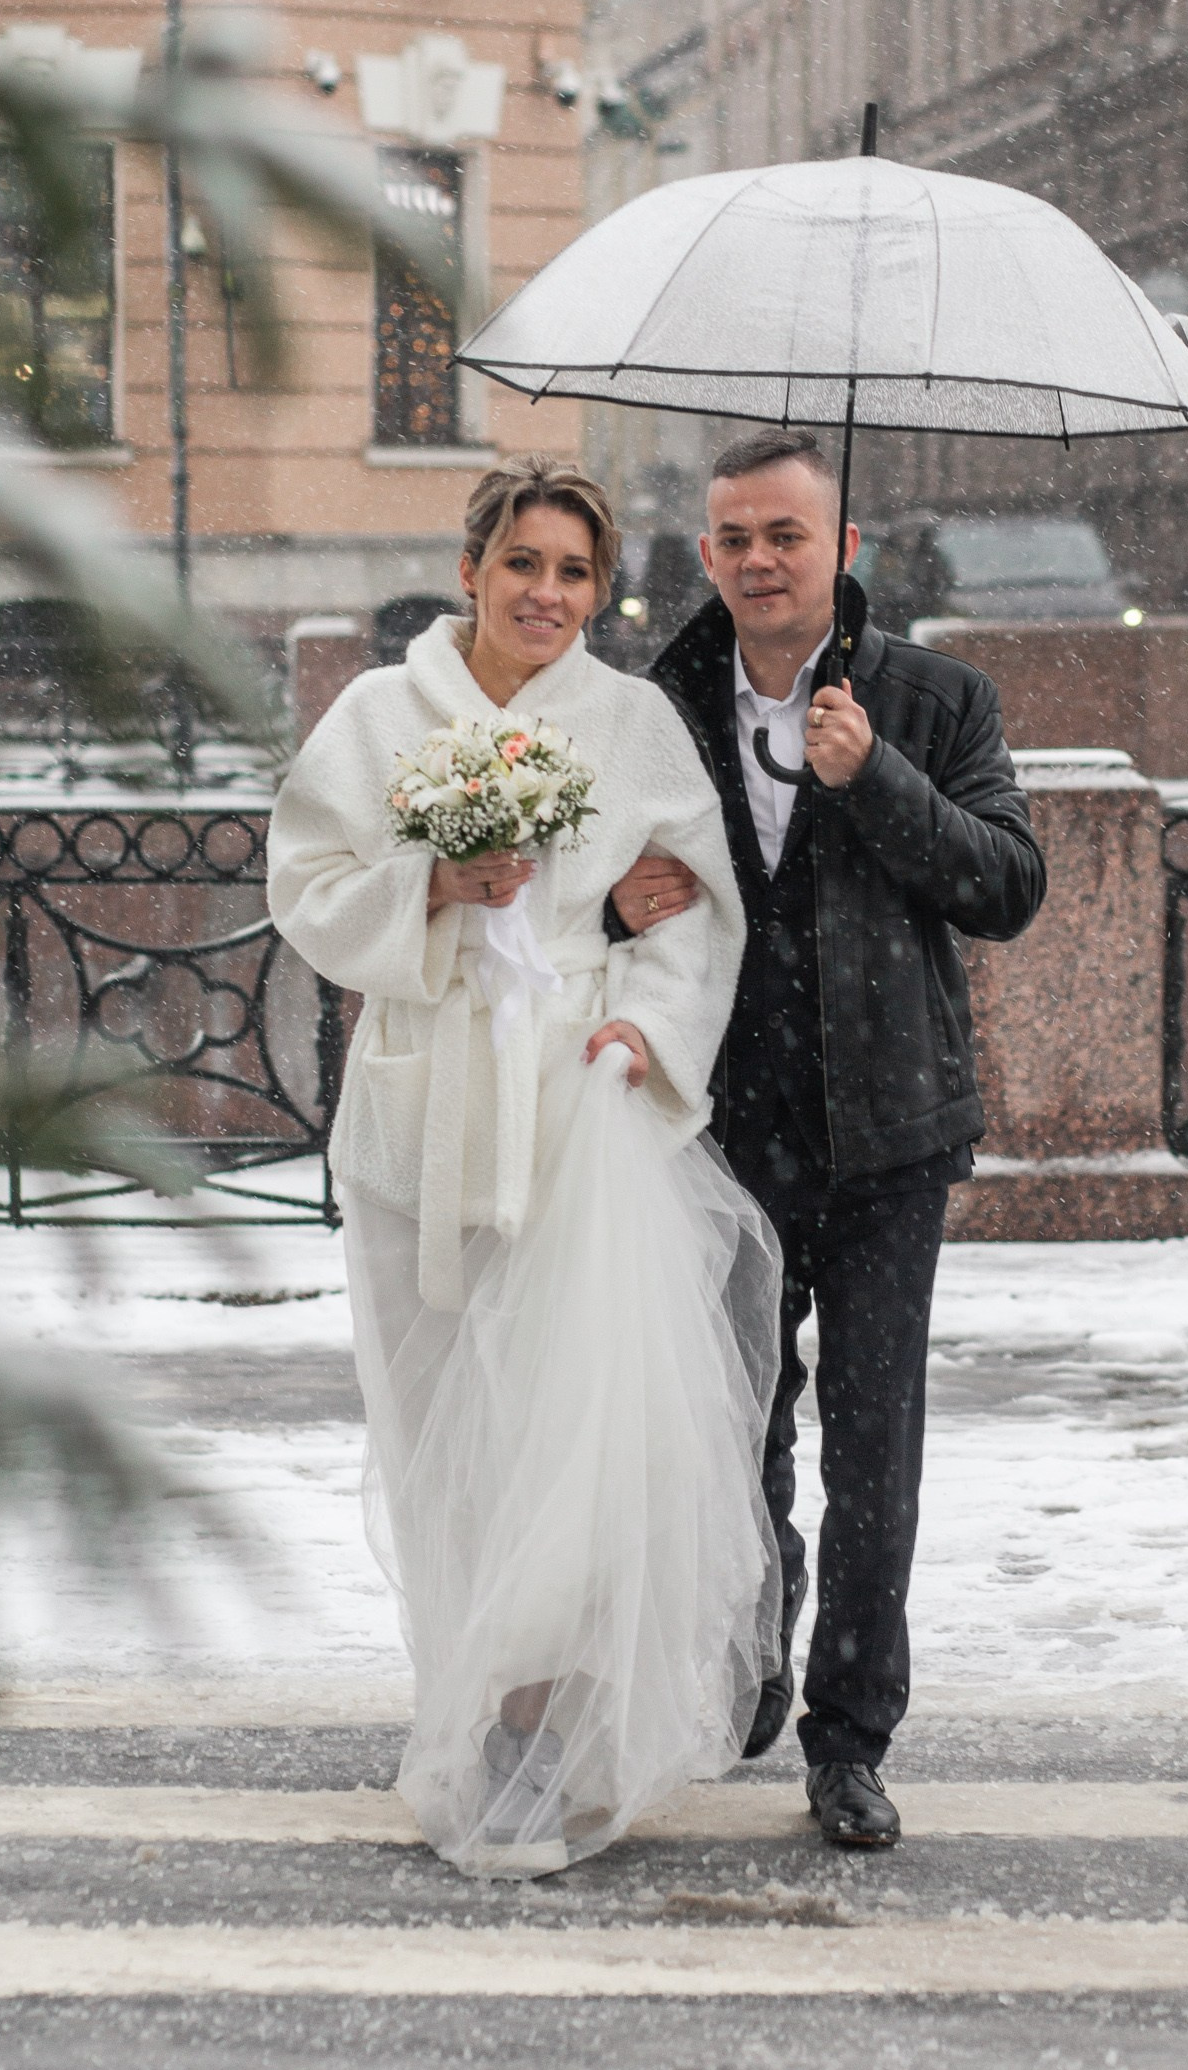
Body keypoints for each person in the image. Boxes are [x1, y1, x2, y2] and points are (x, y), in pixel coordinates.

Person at [267, 460, 780, 1880]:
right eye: (523, 564)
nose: (546, 595)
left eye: (574, 573)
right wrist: (430, 886)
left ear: (598, 589)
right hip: (421, 1117)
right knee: (444, 1431)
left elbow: (695, 914)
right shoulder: (382, 717)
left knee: (568, 1424)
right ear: (472, 569)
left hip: (571, 1110)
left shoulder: (630, 725)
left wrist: (643, 1027)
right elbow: (305, 886)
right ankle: (475, 1698)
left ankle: (546, 1727)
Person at [609, 427, 1046, 1850]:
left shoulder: (934, 698)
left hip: (888, 1132)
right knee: (730, 1431)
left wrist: (879, 779)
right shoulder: (654, 705)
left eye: (785, 535)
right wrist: (610, 907)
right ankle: (754, 1641)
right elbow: (580, 890)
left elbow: (1008, 886)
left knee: (874, 1453)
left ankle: (850, 1739)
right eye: (734, 538)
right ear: (706, 553)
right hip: (718, 1129)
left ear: (841, 547)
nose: (758, 561)